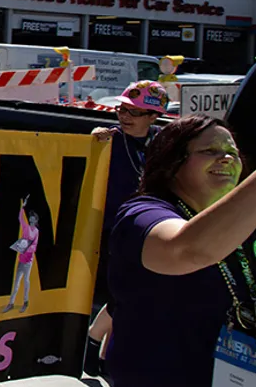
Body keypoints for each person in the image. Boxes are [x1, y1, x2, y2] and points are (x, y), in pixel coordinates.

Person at [105, 115, 256, 387]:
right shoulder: (142, 214)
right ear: (171, 162)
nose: (226, 159)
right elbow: (188, 250)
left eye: (232, 153)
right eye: (209, 151)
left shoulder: (244, 222)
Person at [84, 79, 169, 373]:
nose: (124, 117)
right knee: (123, 293)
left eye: (134, 112)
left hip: (149, 226)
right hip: (114, 229)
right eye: (122, 109)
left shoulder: (162, 143)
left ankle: (99, 350)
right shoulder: (112, 139)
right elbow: (90, 148)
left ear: (154, 117)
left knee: (131, 294)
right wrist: (94, 139)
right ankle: (95, 342)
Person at [4, 197, 39, 313]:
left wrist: (27, 249)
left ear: (36, 220)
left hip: (28, 261)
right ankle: (11, 303)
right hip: (21, 259)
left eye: (33, 219)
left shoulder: (36, 231)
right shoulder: (26, 228)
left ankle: (25, 302)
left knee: (26, 281)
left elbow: (35, 245)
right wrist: (22, 207)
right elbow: (20, 219)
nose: (31, 220)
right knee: (17, 282)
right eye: (30, 218)